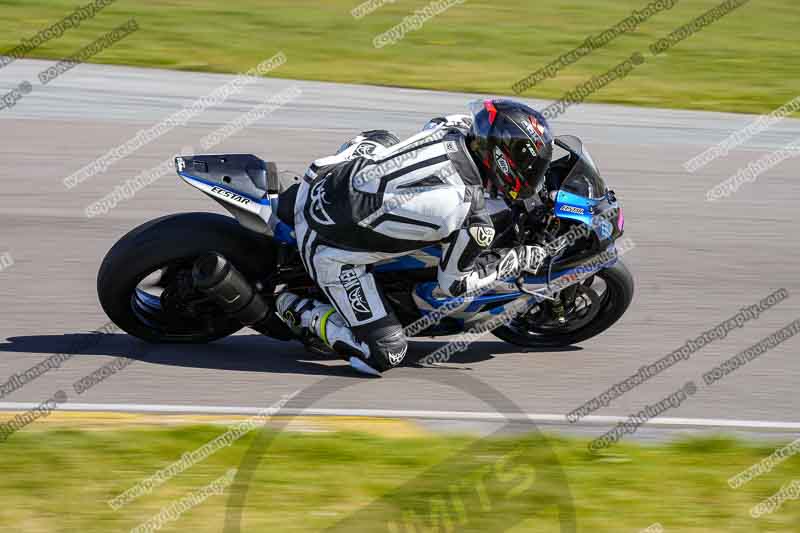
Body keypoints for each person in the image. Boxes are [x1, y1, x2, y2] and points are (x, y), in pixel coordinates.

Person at [274, 99, 554, 376]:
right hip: (325, 245)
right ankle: (295, 307)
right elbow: (453, 287)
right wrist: (518, 259)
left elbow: (432, 125)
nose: (533, 174)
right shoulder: (471, 216)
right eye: (530, 166)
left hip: (324, 175)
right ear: (505, 160)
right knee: (386, 353)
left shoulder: (455, 127)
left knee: (383, 138)